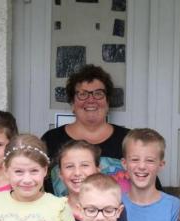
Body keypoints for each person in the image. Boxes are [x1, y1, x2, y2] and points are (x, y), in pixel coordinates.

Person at [42, 64, 160, 196]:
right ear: (72, 103)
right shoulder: (51, 139)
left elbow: (152, 188)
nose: (91, 100)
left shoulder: (129, 139)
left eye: (98, 94)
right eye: (83, 94)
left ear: (108, 102)